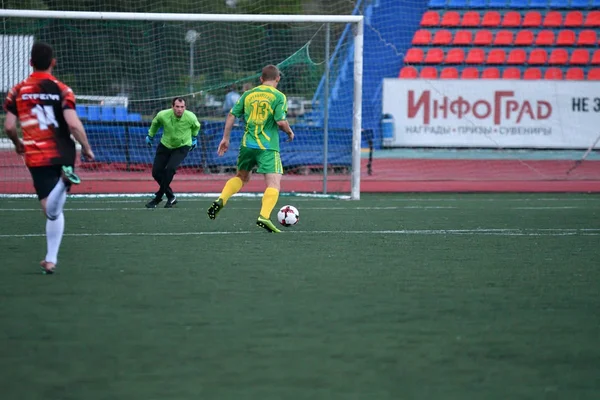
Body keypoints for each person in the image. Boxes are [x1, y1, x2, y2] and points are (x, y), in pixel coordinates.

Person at [3, 42, 95, 274]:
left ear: (30, 62)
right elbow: (73, 124)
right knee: (57, 209)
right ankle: (50, 260)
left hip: (37, 153)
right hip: (64, 151)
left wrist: (17, 144)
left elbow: (10, 127)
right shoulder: (63, 89)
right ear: (53, 62)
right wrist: (85, 147)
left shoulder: (18, 90)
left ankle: (64, 181)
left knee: (51, 211)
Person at [207, 65, 294, 233]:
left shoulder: (248, 94)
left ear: (261, 79)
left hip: (247, 145)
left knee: (241, 177)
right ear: (278, 79)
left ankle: (221, 199)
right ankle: (264, 216)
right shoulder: (279, 96)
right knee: (274, 183)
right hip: (267, 147)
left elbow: (232, 115)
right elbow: (281, 122)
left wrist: (225, 138)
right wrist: (290, 132)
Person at [145, 97, 200, 208]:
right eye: (177, 107)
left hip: (182, 146)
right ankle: (171, 197)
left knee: (170, 169)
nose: (180, 109)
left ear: (185, 107)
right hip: (165, 145)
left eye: (182, 107)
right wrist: (150, 136)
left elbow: (196, 126)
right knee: (156, 173)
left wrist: (194, 138)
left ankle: (158, 197)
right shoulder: (163, 115)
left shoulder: (191, 117)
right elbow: (155, 123)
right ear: (172, 107)